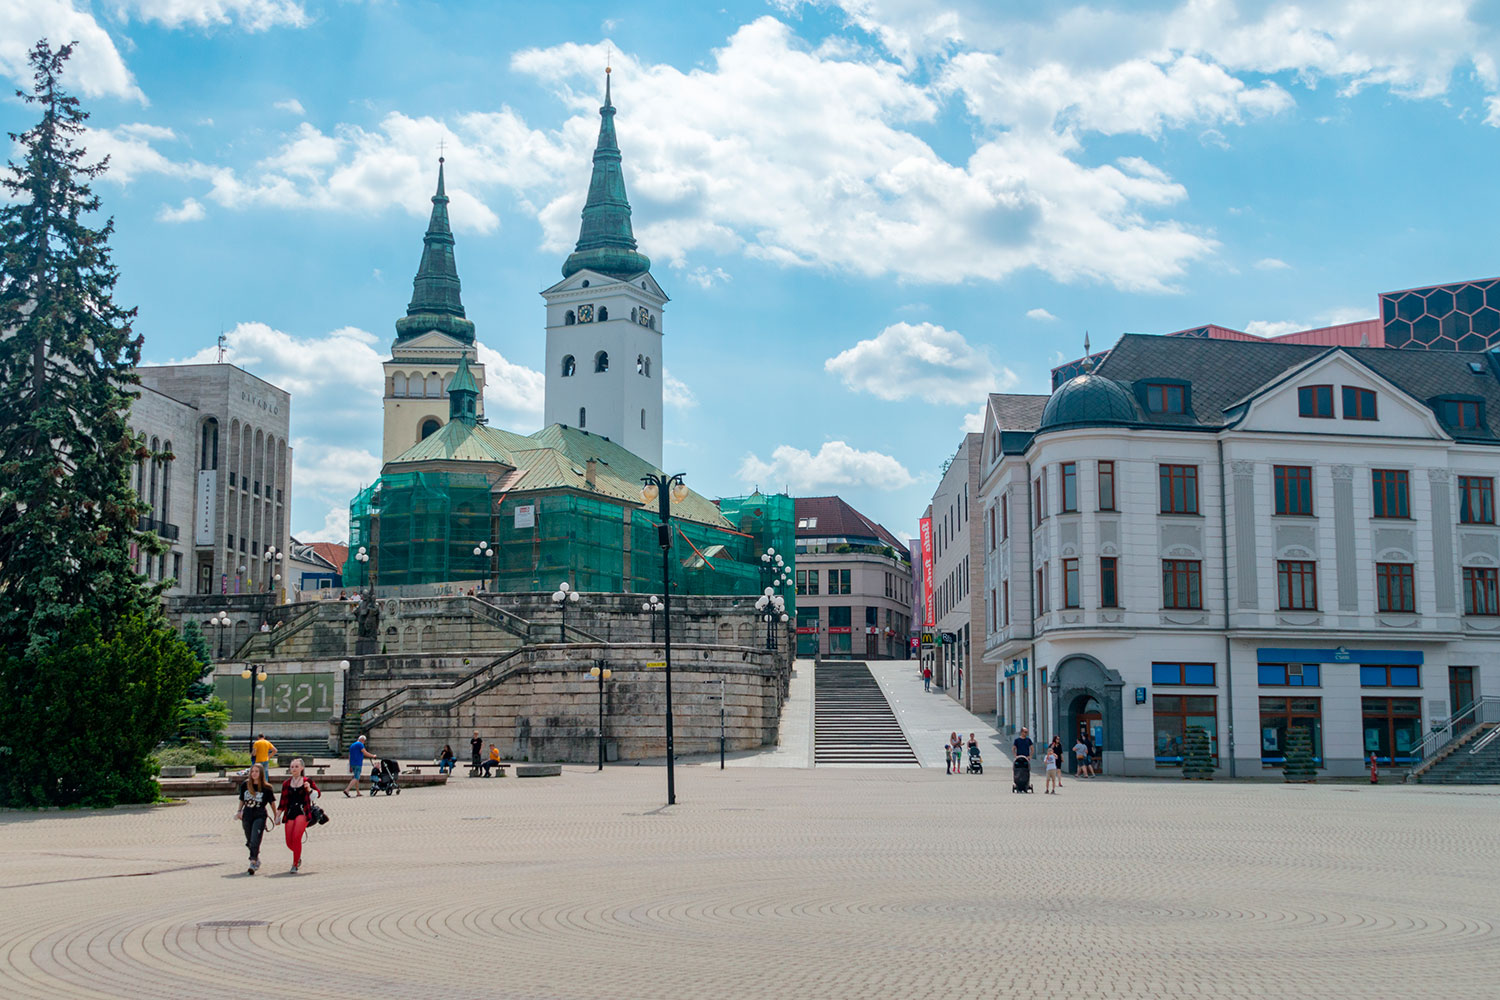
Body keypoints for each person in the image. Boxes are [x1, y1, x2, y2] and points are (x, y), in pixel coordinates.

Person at [276, 758, 320, 874]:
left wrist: (309, 789)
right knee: (289, 842)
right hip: (290, 812)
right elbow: (282, 802)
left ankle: (295, 864)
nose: (294, 769)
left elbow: (317, 794)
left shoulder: (307, 781)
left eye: (296, 766)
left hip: (303, 812)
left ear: (302, 768)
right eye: (292, 767)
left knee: (296, 838)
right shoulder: (286, 784)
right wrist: (278, 815)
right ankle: (298, 855)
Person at [236, 763, 276, 874]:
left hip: (260, 814)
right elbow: (242, 799)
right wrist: (239, 811)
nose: (254, 774)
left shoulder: (267, 788)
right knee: (249, 840)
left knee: (255, 838)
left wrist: (276, 815)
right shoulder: (245, 785)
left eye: (256, 771)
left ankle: (252, 862)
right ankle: (256, 857)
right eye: (252, 771)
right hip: (247, 814)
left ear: (261, 773)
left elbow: (272, 803)